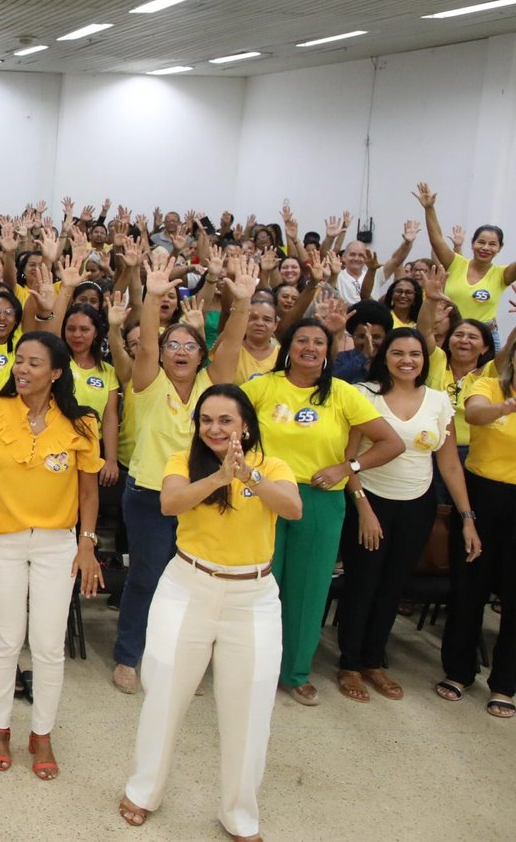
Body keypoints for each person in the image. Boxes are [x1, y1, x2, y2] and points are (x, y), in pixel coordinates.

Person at [118, 385, 300, 841]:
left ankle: (240, 815)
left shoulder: (272, 466)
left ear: (246, 427)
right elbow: (169, 503)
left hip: (252, 598)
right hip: (187, 588)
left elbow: (293, 509)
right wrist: (221, 478)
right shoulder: (183, 462)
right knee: (164, 695)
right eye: (207, 420)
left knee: (250, 710)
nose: (215, 429)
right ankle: (143, 791)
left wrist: (249, 477)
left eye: (226, 420)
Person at [241, 319, 404, 706]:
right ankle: (251, 670)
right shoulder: (263, 385)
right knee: (259, 587)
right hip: (265, 495)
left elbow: (391, 442)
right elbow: (223, 422)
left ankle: (296, 672)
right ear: (289, 346)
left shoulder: (343, 394)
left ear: (328, 351)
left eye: (319, 341)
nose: (310, 347)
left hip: (320, 501)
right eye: (302, 340)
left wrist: (348, 468)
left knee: (308, 591)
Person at [0, 331, 103, 780]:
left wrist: (88, 543)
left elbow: (87, 490)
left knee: (47, 645)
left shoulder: (82, 423)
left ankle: (41, 734)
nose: (21, 369)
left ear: (56, 372)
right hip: (1, 540)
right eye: (18, 361)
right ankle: (0, 728)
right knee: (5, 639)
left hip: (57, 544)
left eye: (34, 363)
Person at [112, 263, 252, 694]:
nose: (180, 350)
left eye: (190, 345)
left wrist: (242, 302)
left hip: (201, 494)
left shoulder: (215, 385)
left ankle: (180, 659)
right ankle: (128, 657)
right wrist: (152, 298)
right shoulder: (149, 381)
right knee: (148, 576)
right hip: (150, 495)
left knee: (194, 581)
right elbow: (149, 346)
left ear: (201, 354)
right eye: (173, 343)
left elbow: (231, 343)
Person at [337, 328, 480, 702]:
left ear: (424, 360)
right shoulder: (364, 394)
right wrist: (363, 506)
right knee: (362, 582)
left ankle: (374, 662)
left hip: (418, 505)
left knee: (392, 586)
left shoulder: (437, 402)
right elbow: (346, 459)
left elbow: (449, 465)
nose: (407, 360)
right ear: (384, 356)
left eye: (415, 354)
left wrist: (467, 517)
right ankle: (349, 663)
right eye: (398, 353)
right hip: (369, 500)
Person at [438, 341, 516, 714]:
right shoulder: (488, 385)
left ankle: (504, 684)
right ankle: (459, 671)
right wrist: (506, 407)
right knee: (469, 584)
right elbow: (475, 415)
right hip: (482, 495)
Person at [414, 182, 516, 338]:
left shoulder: (502, 274)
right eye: (481, 242)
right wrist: (429, 208)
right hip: (450, 332)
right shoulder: (456, 263)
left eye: (492, 244)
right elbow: (436, 240)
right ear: (472, 244)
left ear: (500, 248)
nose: (486, 248)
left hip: (484, 337)